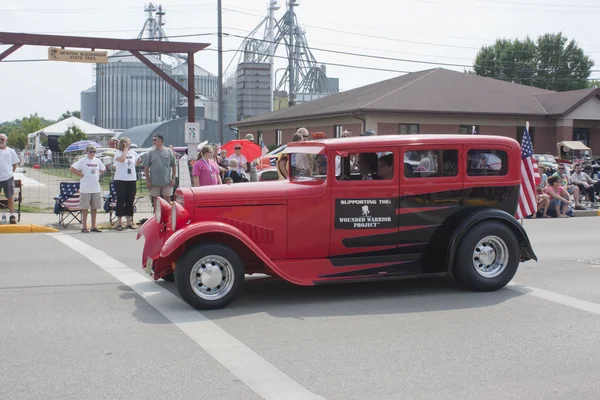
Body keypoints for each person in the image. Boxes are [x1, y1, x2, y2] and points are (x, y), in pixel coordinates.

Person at [70, 145, 106, 232]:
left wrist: (99, 174)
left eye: (94, 152)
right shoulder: (82, 160)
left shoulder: (97, 160)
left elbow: (103, 169)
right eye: (90, 152)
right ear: (86, 152)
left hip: (95, 187)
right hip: (85, 188)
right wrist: (80, 174)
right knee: (85, 208)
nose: (92, 153)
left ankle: (93, 226)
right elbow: (72, 168)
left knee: (94, 208)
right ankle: (84, 226)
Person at [113, 137, 141, 231]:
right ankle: (119, 222)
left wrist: (133, 166)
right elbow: (122, 159)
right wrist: (125, 149)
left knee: (130, 200)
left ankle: (129, 222)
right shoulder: (118, 152)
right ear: (124, 143)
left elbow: (139, 159)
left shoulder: (132, 153)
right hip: (120, 179)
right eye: (128, 143)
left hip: (131, 179)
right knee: (121, 200)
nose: (130, 144)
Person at [144, 134, 177, 201]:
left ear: (161, 140)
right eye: (153, 140)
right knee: (156, 199)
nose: (153, 141)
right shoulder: (150, 153)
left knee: (167, 199)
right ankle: (156, 211)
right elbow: (146, 168)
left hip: (167, 182)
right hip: (154, 182)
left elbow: (174, 165)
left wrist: (173, 178)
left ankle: (167, 212)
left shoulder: (169, 152)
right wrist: (148, 181)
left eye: (155, 140)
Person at [0, 133, 20, 224]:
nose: (1, 141)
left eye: (2, 139)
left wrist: (9, 173)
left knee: (10, 197)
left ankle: (12, 216)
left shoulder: (11, 151)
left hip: (8, 178)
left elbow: (14, 164)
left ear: (6, 141)